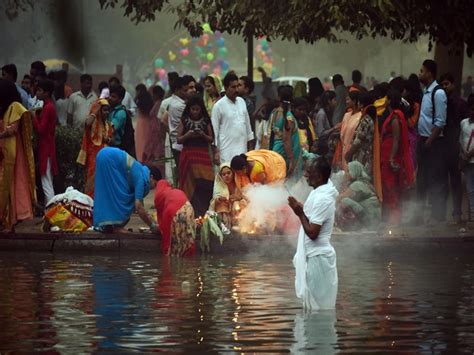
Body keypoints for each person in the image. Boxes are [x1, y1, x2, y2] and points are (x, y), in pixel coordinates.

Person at [288, 156, 338, 312]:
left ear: (320, 176)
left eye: (309, 172)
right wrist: (303, 210)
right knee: (314, 309)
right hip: (315, 258)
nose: (305, 175)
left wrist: (299, 213)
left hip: (318, 260)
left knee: (319, 309)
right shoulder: (318, 193)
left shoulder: (323, 199)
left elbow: (313, 233)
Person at [93, 147, 160, 233]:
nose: (152, 188)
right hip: (109, 159)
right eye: (154, 184)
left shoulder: (139, 170)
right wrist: (152, 225)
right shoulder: (141, 178)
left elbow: (139, 207)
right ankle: (117, 227)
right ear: (151, 177)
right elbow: (138, 206)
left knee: (108, 195)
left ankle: (108, 226)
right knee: (123, 199)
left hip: (103, 155)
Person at [0, 80, 36, 231]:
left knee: (13, 182)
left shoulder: (15, 107)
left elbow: (12, 129)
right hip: (3, 149)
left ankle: (11, 218)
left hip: (13, 151)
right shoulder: (3, 107)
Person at [417, 59, 448, 223]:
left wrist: (429, 141)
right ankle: (418, 215)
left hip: (434, 143)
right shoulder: (426, 92)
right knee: (422, 178)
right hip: (423, 140)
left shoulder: (438, 93)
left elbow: (440, 122)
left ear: (429, 72)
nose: (420, 73)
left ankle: (437, 216)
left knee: (435, 179)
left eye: (422, 71)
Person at [176, 95, 215, 217]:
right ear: (189, 109)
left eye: (197, 109)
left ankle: (203, 214)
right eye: (193, 109)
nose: (195, 112)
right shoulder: (184, 120)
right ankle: (189, 214)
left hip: (202, 157)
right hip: (188, 156)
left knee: (205, 184)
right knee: (188, 184)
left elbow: (210, 139)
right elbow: (178, 139)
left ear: (201, 109)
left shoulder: (206, 120)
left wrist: (202, 135)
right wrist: (188, 135)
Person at [381, 91, 415, 224]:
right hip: (387, 155)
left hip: (390, 157)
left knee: (392, 188)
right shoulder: (393, 115)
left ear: (390, 101)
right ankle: (392, 219)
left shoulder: (395, 117)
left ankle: (394, 220)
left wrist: (391, 158)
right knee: (389, 188)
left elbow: (396, 139)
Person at [439, 73, 469, 224]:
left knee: (456, 182)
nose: (445, 87)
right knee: (443, 182)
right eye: (442, 84)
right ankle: (442, 214)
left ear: (453, 85)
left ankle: (457, 213)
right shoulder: (440, 103)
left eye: (447, 84)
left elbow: (465, 129)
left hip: (455, 147)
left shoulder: (461, 104)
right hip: (443, 148)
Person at [211, 72, 254, 164]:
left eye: (237, 86)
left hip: (243, 152)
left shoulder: (242, 102)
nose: (236, 89)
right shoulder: (218, 106)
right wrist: (216, 153)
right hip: (226, 153)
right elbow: (214, 131)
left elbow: (248, 127)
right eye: (233, 87)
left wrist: (251, 151)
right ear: (226, 88)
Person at [76, 98, 113, 197]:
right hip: (94, 158)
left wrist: (107, 140)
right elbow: (87, 124)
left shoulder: (108, 125)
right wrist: (95, 111)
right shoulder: (92, 123)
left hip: (106, 159)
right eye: (104, 110)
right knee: (92, 182)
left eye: (108, 110)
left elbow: (111, 140)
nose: (107, 112)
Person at [32, 79, 58, 206]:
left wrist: (33, 117)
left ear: (46, 93)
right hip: (48, 147)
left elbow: (41, 130)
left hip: (46, 148)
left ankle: (52, 211)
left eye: (39, 90)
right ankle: (50, 212)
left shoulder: (48, 108)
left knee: (46, 181)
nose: (37, 93)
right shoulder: (48, 106)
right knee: (48, 180)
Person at [154, 180, 196, 256]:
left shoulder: (159, 196)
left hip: (175, 211)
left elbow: (164, 224)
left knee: (172, 243)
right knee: (188, 238)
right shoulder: (175, 191)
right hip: (189, 209)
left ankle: (172, 263)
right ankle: (189, 263)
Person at [268, 85, 302, 177]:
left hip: (275, 152)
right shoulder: (288, 117)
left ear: (279, 97)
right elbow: (286, 140)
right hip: (285, 155)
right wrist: (291, 160)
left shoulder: (274, 113)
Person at [336, 161, 380, 230]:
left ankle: (358, 227)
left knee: (344, 201)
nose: (346, 174)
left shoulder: (357, 184)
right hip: (374, 217)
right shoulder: (364, 183)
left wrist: (343, 182)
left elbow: (339, 197)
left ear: (355, 170)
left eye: (348, 171)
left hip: (370, 217)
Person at [168, 75, 197, 170]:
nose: (193, 90)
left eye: (194, 87)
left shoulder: (181, 102)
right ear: (179, 90)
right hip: (180, 146)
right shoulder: (179, 105)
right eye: (189, 88)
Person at [345, 92, 376, 175]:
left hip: (362, 157)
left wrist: (349, 154)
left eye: (358, 102)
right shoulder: (370, 118)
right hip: (365, 156)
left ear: (361, 104)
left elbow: (358, 141)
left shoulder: (365, 120)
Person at [209, 163, 244, 228]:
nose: (226, 176)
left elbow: (242, 195)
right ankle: (225, 227)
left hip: (236, 207)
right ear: (221, 176)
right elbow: (216, 198)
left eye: (228, 173)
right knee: (220, 204)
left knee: (239, 203)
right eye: (224, 174)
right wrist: (220, 199)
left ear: (233, 173)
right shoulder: (219, 185)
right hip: (226, 207)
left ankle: (240, 226)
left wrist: (237, 198)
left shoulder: (238, 182)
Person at [143, 85, 166, 175]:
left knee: (156, 153)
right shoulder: (157, 103)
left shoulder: (159, 105)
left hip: (156, 133)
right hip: (153, 132)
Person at [108, 84, 135, 157]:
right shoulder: (111, 109)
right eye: (110, 95)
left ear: (120, 99)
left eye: (113, 97)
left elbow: (111, 129)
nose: (110, 98)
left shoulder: (120, 113)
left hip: (117, 147)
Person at [338, 91, 362, 171]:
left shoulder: (361, 116)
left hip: (353, 152)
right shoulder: (346, 115)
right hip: (343, 150)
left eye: (348, 99)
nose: (346, 101)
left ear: (354, 101)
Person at [459, 94, 474, 221]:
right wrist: (463, 153)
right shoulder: (463, 123)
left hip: (471, 158)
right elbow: (460, 140)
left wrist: (469, 153)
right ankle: (472, 216)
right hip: (468, 162)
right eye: (471, 109)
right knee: (469, 189)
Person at [134, 83, 155, 163]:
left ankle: (140, 158)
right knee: (146, 141)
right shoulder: (149, 99)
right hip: (148, 122)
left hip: (141, 123)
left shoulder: (138, 100)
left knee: (140, 142)